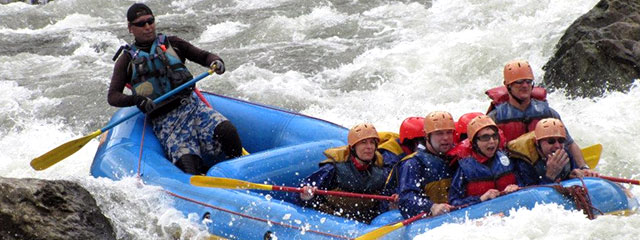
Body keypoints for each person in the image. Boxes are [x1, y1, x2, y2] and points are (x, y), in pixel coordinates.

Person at [107, 3, 243, 175]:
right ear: (130, 28)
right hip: (166, 122)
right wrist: (136, 99)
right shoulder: (126, 61)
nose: (148, 27)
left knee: (227, 131)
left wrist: (215, 62)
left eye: (150, 21)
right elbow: (113, 96)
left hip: (192, 107)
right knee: (189, 165)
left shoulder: (174, 44)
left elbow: (203, 56)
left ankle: (238, 172)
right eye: (141, 24)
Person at [486, 59, 591, 172]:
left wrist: (583, 167)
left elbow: (569, 144)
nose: (525, 85)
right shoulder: (495, 118)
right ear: (508, 85)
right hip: (513, 171)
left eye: (528, 81)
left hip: (545, 169)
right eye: (519, 82)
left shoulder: (548, 113)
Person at [298, 123, 393, 223]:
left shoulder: (380, 171)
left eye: (372, 143)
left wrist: (390, 206)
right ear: (353, 148)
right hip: (333, 220)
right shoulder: (333, 169)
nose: (369, 147)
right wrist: (305, 196)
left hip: (364, 223)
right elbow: (304, 191)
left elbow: (382, 202)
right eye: (363, 143)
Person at [449, 115, 520, 207]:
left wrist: (516, 187)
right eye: (485, 137)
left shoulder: (507, 157)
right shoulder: (463, 167)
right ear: (474, 142)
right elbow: (454, 202)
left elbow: (525, 183)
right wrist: (481, 198)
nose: (492, 141)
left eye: (494, 136)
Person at [396, 111, 456, 219]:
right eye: (439, 133)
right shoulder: (413, 163)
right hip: (430, 218)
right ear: (427, 136)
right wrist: (431, 207)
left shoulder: (459, 157)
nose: (446, 138)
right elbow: (406, 198)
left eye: (449, 132)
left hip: (455, 211)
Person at [508, 118, 599, 186]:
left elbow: (572, 175)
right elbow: (529, 194)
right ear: (537, 143)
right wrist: (549, 176)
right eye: (551, 141)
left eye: (560, 141)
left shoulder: (566, 153)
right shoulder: (524, 161)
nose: (557, 146)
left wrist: (576, 174)